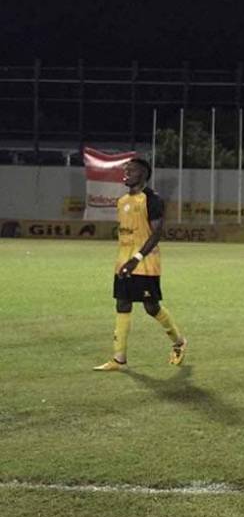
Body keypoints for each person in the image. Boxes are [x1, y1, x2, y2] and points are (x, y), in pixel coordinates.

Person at [93, 157, 186, 371]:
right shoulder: (122, 201)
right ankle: (119, 359)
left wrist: (136, 259)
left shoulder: (152, 200)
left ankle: (179, 342)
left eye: (131, 171)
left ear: (143, 174)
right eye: (125, 170)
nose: (126, 174)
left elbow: (156, 234)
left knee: (151, 307)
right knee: (122, 303)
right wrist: (125, 260)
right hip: (123, 261)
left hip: (146, 262)